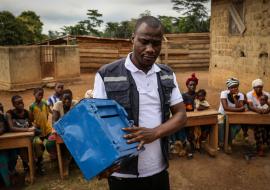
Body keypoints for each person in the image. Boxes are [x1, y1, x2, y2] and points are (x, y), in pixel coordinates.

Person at [93, 16, 187, 190]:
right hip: (122, 174)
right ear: (132, 39)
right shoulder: (107, 74)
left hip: (158, 171)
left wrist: (155, 133)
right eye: (144, 42)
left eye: (156, 43)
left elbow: (181, 116)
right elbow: (96, 125)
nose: (150, 49)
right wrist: (101, 162)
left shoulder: (166, 74)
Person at [6, 95, 43, 181]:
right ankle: (27, 169)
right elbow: (11, 128)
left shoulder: (27, 113)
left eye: (21, 102)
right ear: (13, 104)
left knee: (38, 143)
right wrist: (27, 129)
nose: (21, 105)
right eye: (18, 103)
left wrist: (34, 126)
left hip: (30, 138)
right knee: (23, 149)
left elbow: (32, 125)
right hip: (18, 139)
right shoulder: (9, 113)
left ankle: (38, 164)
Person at [29, 88, 56, 165]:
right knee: (38, 144)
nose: (41, 96)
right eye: (39, 94)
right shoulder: (32, 106)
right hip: (38, 130)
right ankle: (39, 160)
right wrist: (35, 126)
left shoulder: (44, 103)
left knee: (52, 141)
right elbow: (30, 119)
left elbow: (50, 112)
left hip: (47, 128)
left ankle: (54, 155)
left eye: (42, 94)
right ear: (34, 94)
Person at [218, 78, 245, 152]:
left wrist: (235, 98)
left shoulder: (240, 95)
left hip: (233, 116)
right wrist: (240, 109)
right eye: (232, 87)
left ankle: (229, 142)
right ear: (228, 88)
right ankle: (221, 142)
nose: (234, 88)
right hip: (222, 114)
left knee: (237, 127)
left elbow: (239, 106)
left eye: (236, 86)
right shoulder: (224, 93)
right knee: (220, 123)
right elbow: (225, 108)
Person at [246, 79, 270, 156]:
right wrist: (258, 110)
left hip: (265, 116)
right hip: (255, 117)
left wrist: (265, 111)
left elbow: (269, 106)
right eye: (257, 87)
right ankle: (260, 148)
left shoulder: (267, 95)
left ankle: (264, 145)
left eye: (260, 87)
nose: (259, 89)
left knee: (266, 127)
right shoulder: (249, 94)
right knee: (259, 128)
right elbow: (250, 106)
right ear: (253, 87)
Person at [0, 103, 17, 187]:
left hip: (9, 144)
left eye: (1, 105)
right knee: (2, 159)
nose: (1, 107)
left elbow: (5, 128)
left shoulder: (6, 116)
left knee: (13, 154)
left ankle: (11, 172)